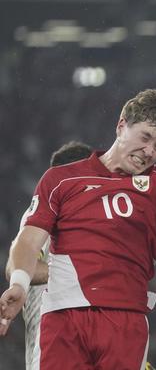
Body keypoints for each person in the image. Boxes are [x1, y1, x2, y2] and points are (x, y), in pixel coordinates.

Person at [0, 89, 156, 370]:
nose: (150, 152)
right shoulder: (61, 179)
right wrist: (19, 284)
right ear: (121, 125)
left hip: (125, 321)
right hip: (64, 317)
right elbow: (28, 241)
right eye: (145, 138)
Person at [4, 141, 92, 370]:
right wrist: (77, 271)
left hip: (92, 339)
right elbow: (15, 266)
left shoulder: (97, 219)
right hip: (52, 345)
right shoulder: (47, 213)